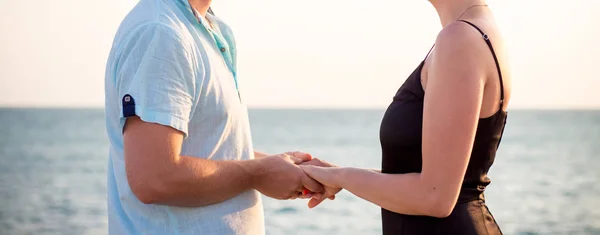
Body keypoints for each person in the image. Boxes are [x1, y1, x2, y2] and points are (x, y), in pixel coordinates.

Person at [103, 0, 331, 234]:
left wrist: (280, 167)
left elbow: (208, 149)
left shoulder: (198, 27)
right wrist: (259, 173)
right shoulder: (161, 33)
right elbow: (155, 179)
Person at [301, 0, 511, 234]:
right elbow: (431, 180)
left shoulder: (460, 38)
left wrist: (342, 176)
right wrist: (339, 176)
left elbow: (435, 197)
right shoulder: (472, 31)